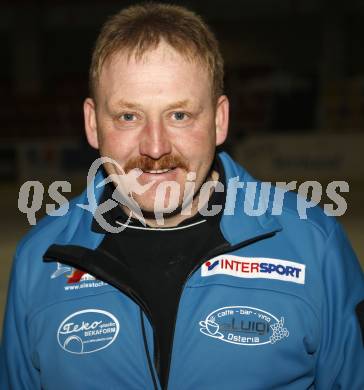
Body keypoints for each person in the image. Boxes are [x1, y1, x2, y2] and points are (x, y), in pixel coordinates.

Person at [1, 3, 363, 389]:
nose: (155, 147)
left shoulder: (313, 246)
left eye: (179, 115)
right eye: (128, 116)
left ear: (220, 120)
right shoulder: (39, 259)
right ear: (92, 124)